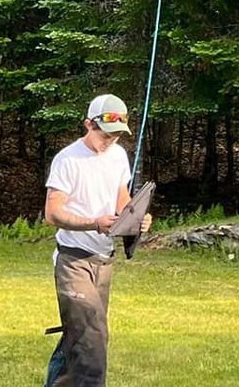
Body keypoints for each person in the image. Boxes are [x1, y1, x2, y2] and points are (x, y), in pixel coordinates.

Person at [42, 93, 151, 387]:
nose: (110, 142)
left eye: (116, 137)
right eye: (105, 135)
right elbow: (52, 213)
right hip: (73, 261)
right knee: (91, 342)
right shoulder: (67, 160)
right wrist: (94, 223)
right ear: (88, 124)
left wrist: (136, 218)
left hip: (104, 262)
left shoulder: (118, 156)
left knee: (77, 338)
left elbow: (121, 199)